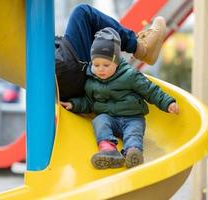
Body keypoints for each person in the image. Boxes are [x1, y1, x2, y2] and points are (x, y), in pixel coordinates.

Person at [61, 27, 179, 169]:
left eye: (106, 65)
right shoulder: (91, 81)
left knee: (133, 133)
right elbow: (89, 102)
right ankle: (109, 150)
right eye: (96, 65)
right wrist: (74, 105)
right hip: (110, 119)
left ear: (116, 62)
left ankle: (132, 153)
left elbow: (150, 91)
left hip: (132, 118)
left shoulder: (130, 75)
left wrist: (168, 103)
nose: (100, 69)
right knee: (99, 120)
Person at [55, 4, 166, 101]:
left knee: (93, 33)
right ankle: (141, 48)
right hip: (67, 68)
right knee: (83, 13)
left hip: (64, 73)